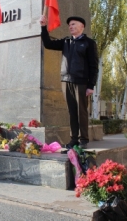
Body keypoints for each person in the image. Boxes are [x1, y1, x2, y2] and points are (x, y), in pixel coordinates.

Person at [40, 15, 99, 149]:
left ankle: (83, 139)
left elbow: (93, 66)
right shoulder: (66, 41)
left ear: (82, 26)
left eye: (73, 24)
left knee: (81, 112)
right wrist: (44, 27)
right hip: (66, 81)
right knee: (72, 112)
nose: (70, 27)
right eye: (69, 25)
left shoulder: (89, 43)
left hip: (82, 82)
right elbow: (48, 44)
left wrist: (91, 85)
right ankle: (74, 139)